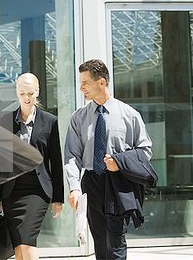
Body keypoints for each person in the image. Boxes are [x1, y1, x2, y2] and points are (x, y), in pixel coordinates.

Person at [64, 59, 153, 260]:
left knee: (115, 242)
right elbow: (71, 156)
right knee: (101, 242)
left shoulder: (129, 115)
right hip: (91, 183)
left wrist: (119, 163)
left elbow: (145, 150)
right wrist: (74, 187)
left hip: (119, 183)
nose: (81, 88)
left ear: (101, 82)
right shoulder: (78, 118)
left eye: (85, 83)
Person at [0, 73, 64, 260]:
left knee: (27, 242)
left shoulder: (50, 121)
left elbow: (56, 161)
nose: (26, 97)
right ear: (17, 93)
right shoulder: (5, 121)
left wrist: (58, 198)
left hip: (37, 191)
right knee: (18, 246)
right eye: (22, 93)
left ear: (37, 92)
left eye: (30, 93)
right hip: (11, 192)